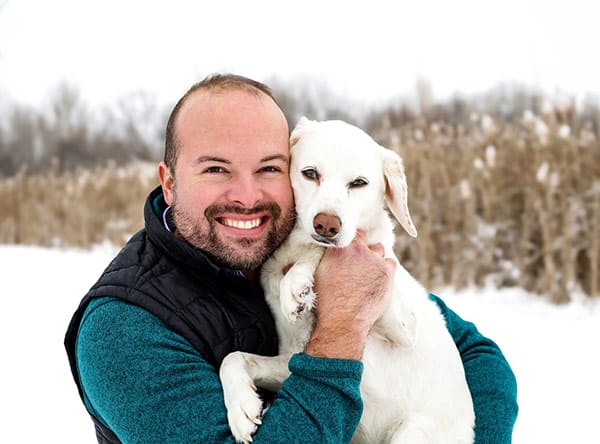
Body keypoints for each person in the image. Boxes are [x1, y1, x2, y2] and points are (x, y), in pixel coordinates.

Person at [65, 74, 518, 443]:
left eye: (268, 168)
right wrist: (341, 329)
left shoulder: (312, 249)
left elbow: (478, 357)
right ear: (169, 183)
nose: (247, 197)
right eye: (216, 169)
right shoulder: (123, 329)